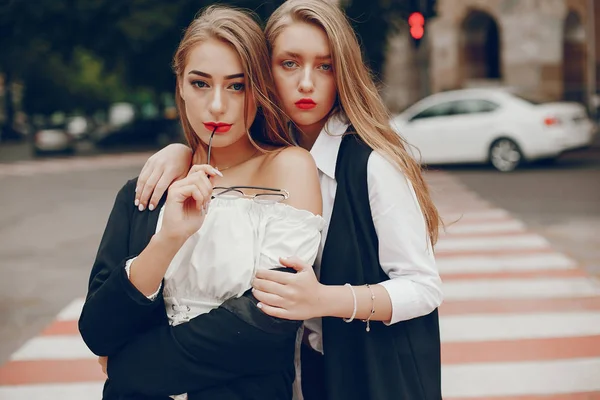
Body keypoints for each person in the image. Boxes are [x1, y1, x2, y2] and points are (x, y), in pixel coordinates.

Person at [132, 1, 444, 399]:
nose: (307, 83)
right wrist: (182, 152)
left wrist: (326, 299)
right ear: (264, 72)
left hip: (372, 370)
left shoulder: (372, 163)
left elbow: (422, 286)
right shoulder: (267, 155)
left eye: (325, 66)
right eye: (290, 64)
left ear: (343, 71)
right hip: (300, 373)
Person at [78, 5, 325, 400]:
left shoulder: (289, 169)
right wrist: (168, 239)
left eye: (236, 85)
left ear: (259, 89)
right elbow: (97, 330)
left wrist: (129, 367)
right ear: (179, 85)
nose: (216, 106)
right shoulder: (146, 190)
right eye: (200, 83)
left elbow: (268, 326)